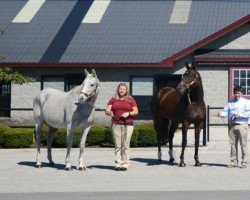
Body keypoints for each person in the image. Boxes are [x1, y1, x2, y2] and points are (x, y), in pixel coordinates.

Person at [105, 82, 138, 171]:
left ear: (126, 90)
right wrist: (108, 112)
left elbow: (136, 112)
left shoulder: (131, 99)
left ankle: (125, 164)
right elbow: (107, 110)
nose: (121, 90)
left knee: (126, 145)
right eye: (120, 89)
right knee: (118, 145)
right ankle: (118, 163)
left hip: (128, 124)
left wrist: (129, 113)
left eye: (123, 89)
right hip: (116, 124)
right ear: (118, 89)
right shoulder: (113, 99)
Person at [216, 85, 250, 168]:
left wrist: (240, 114)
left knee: (243, 144)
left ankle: (244, 162)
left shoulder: (246, 102)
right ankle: (233, 162)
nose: (237, 95)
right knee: (232, 145)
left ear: (242, 93)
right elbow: (225, 112)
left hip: (242, 125)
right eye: (235, 93)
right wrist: (221, 114)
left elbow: (249, 113)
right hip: (232, 125)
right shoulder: (230, 102)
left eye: (238, 93)